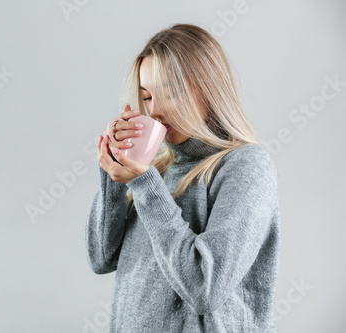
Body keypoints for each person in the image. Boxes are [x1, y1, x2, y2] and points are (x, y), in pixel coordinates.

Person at [85, 23, 280, 332]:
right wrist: (114, 176)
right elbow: (102, 258)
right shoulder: (155, 169)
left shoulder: (246, 166)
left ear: (208, 88)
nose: (155, 111)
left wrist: (145, 184)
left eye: (171, 92)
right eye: (147, 97)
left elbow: (205, 287)